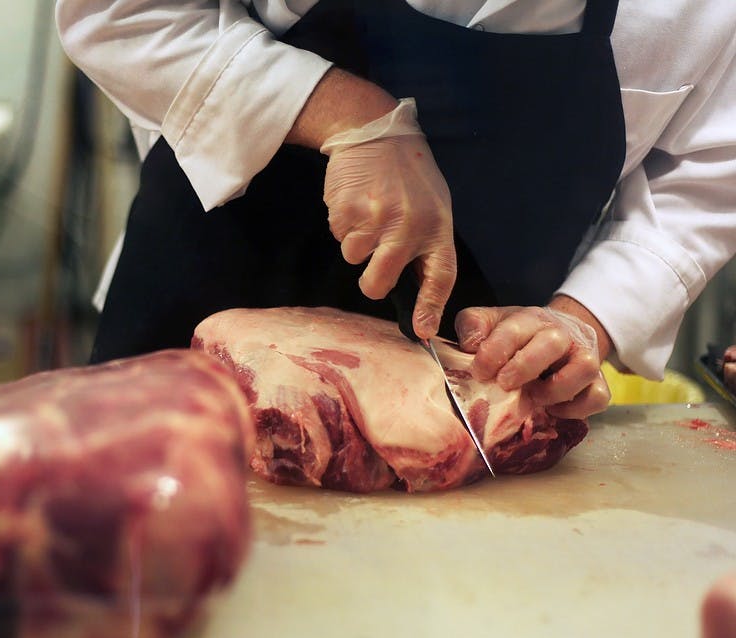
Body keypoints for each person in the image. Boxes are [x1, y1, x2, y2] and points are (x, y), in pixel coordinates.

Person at [56, 0, 736, 420]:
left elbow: (707, 172)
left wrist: (582, 321)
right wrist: (345, 113)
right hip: (200, 314)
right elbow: (116, 12)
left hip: (466, 390)